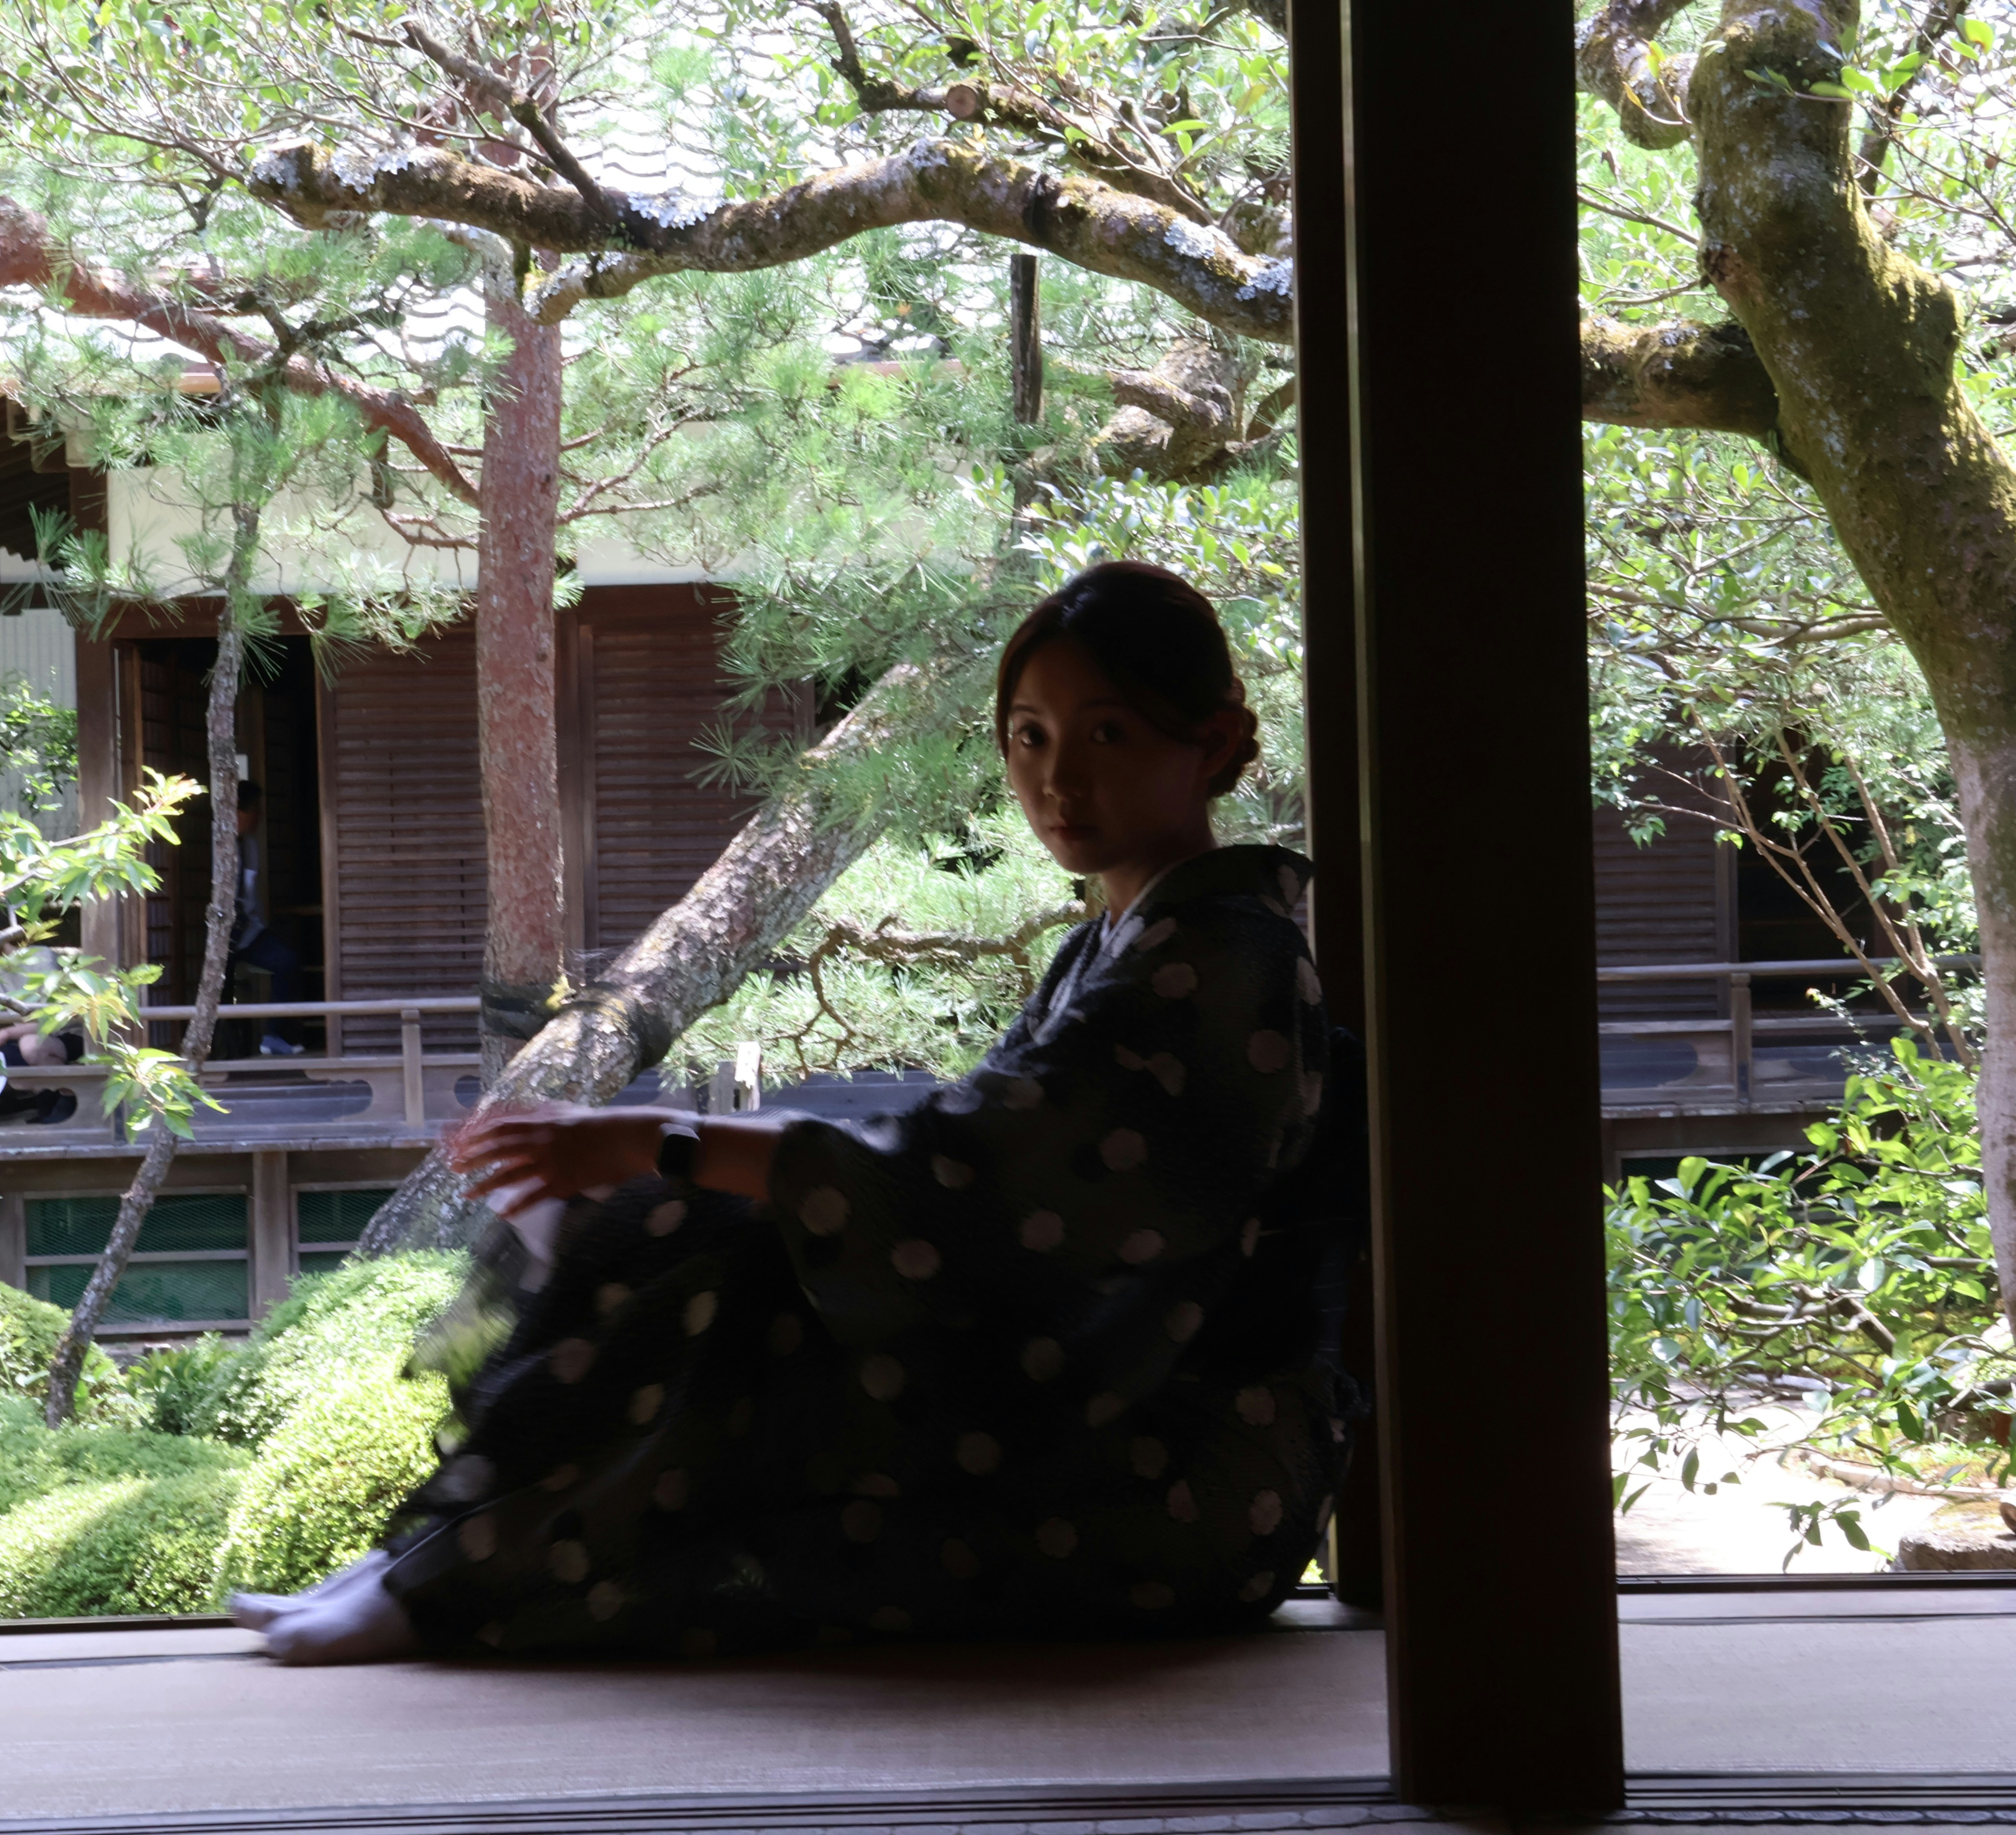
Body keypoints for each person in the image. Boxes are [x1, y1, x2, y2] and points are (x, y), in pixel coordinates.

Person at [232, 560, 1364, 1663]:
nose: (1058, 777)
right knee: (706, 1237)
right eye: (1030, 735)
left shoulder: (1219, 964)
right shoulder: (1132, 940)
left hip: (1172, 1464)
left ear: (1210, 743)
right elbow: (964, 1155)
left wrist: (647, 1139)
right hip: (1089, 1406)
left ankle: (457, 1574)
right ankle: (445, 1558)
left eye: (1107, 733)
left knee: (729, 1285)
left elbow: (972, 1174)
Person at [228, 782, 307, 1057]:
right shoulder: (221, 844)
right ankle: (223, 1049)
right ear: (240, 812)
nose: (260, 817)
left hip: (249, 931)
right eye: (256, 810)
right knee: (220, 987)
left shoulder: (250, 845)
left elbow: (249, 895)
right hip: (221, 933)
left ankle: (274, 1034)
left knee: (287, 962)